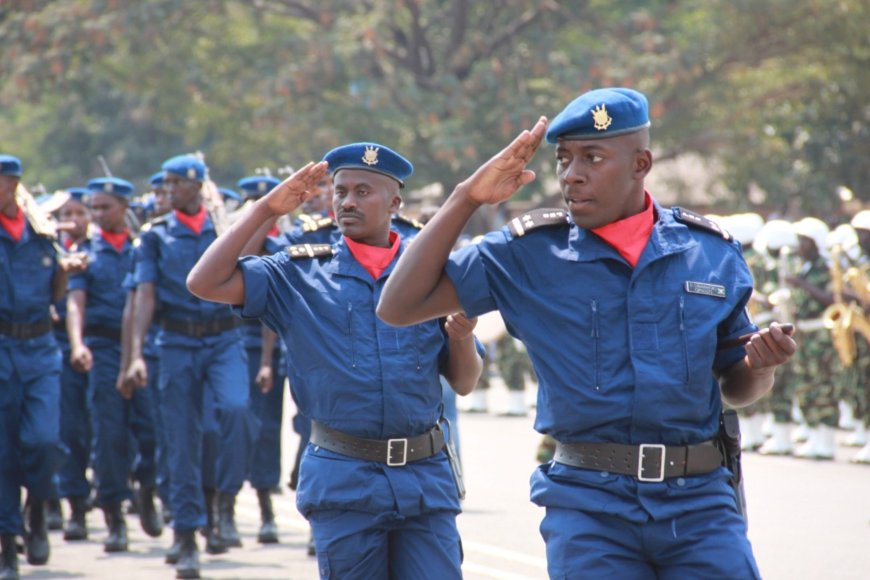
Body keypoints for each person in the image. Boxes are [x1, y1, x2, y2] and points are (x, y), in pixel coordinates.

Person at [377, 88, 798, 578]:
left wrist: (759, 368)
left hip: (700, 505)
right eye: (563, 159)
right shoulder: (527, 254)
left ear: (641, 164)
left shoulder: (711, 252)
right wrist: (466, 196)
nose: (571, 174)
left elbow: (734, 384)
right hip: (589, 507)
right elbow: (398, 306)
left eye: (592, 158)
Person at [186, 143, 483, 579]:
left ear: (394, 204)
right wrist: (266, 209)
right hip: (345, 482)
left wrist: (463, 337)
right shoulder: (298, 274)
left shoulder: (429, 276)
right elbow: (204, 282)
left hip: (424, 481)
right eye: (340, 191)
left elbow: (465, 381)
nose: (347, 202)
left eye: (363, 192)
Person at [124, 154, 252, 579]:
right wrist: (136, 354)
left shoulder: (223, 228)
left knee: (235, 411)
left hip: (223, 337)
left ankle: (224, 502)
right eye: (167, 183)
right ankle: (186, 534)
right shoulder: (156, 235)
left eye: (177, 183)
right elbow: (144, 296)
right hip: (176, 341)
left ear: (198, 186)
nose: (168, 190)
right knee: (181, 440)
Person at [66, 177, 162, 553]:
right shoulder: (86, 252)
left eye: (105, 206)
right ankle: (114, 517)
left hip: (143, 347)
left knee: (152, 428)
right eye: (94, 207)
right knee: (109, 434)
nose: (98, 213)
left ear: (124, 207)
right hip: (103, 348)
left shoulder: (144, 246)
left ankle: (147, 487)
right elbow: (76, 303)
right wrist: (78, 343)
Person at [0, 154, 85, 577]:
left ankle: (36, 506)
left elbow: (56, 293)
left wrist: (67, 269)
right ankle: (8, 545)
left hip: (39, 348)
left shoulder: (40, 231)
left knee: (43, 441)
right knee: (2, 452)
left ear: (12, 184)